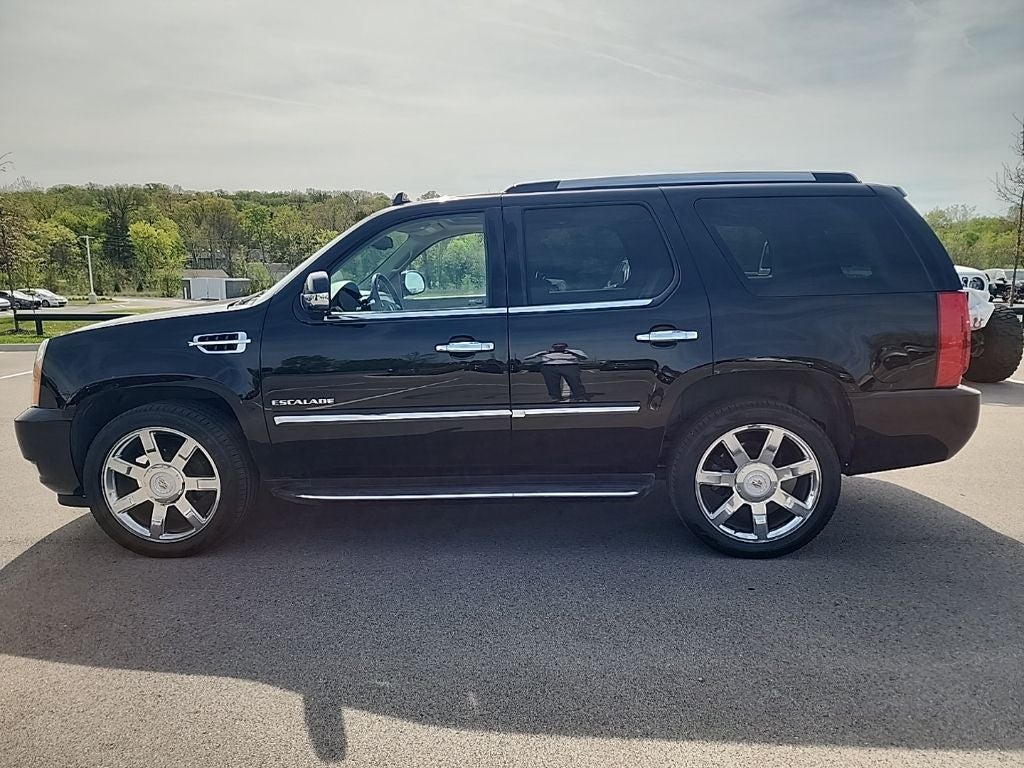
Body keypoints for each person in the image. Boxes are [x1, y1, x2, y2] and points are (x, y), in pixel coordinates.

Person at [523, 342, 589, 401]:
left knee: (575, 382)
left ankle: (580, 397)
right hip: (549, 367)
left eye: (561, 346)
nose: (559, 348)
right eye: (556, 347)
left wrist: (571, 352)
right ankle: (555, 397)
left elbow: (584, 357)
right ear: (553, 347)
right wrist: (543, 354)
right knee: (552, 384)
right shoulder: (545, 352)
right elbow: (527, 357)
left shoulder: (574, 351)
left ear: (565, 347)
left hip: (569, 366)